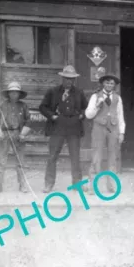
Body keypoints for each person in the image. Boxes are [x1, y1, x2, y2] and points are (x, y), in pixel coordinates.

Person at [39, 65, 88, 193]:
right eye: (66, 78)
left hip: (74, 127)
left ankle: (77, 183)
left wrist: (81, 115)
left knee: (75, 157)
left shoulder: (79, 92)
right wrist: (52, 116)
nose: (69, 81)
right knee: (52, 156)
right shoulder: (53, 91)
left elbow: (85, 107)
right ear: (62, 78)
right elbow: (42, 107)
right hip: (57, 127)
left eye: (71, 79)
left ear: (74, 80)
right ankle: (48, 184)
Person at [85, 73, 125, 193]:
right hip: (99, 128)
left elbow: (120, 116)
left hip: (113, 129)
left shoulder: (118, 98)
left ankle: (110, 184)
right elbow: (88, 115)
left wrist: (122, 132)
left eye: (112, 83)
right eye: (107, 82)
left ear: (114, 86)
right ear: (103, 83)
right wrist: (97, 106)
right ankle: (92, 185)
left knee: (112, 156)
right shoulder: (95, 96)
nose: (109, 85)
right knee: (96, 156)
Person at [0, 81, 31, 193]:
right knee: (1, 161)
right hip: (4, 134)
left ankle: (22, 185)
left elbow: (29, 121)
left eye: (16, 92)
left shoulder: (23, 106)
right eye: (11, 92)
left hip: (18, 134)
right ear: (8, 94)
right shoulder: (2, 106)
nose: (14, 94)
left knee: (20, 161)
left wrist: (23, 134)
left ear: (19, 94)